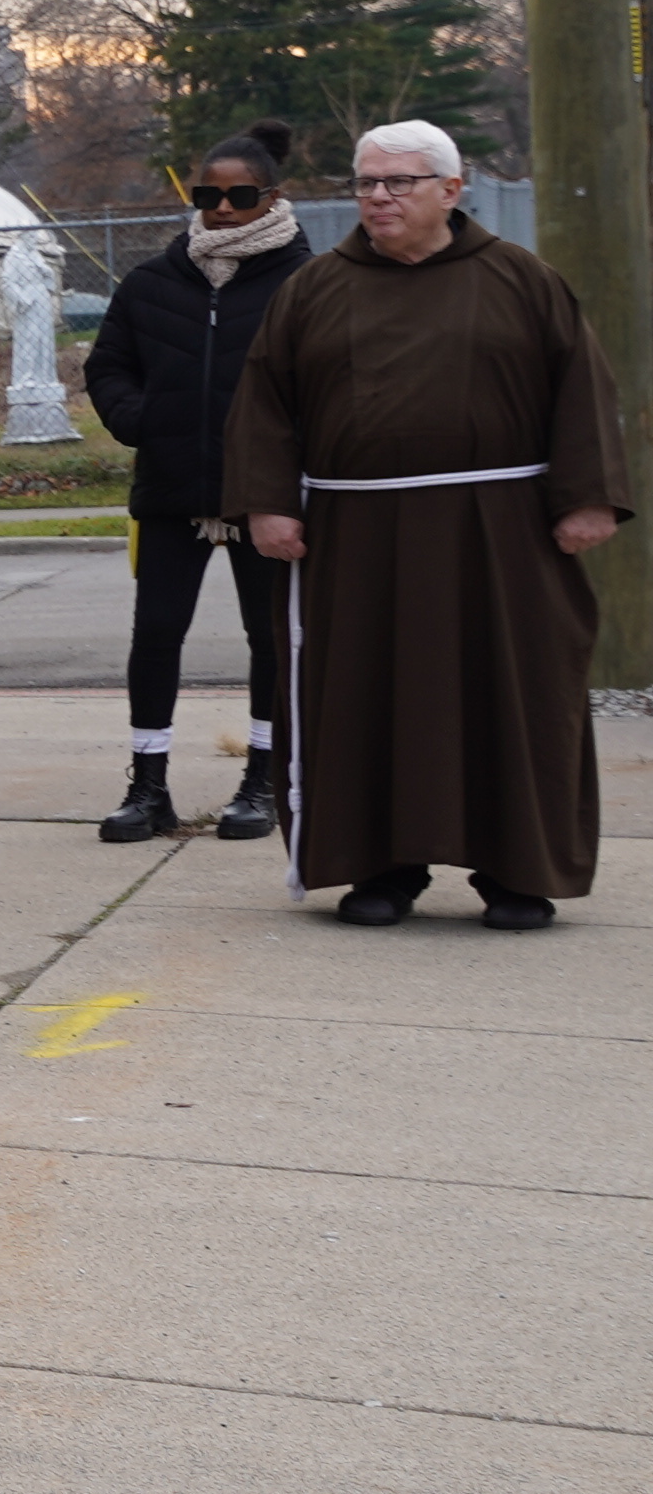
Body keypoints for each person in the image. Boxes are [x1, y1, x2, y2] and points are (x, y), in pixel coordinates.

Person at [226, 119, 630, 928]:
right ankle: (379, 867)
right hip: (355, 535)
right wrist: (267, 503)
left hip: (499, 531)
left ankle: (517, 871)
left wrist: (587, 497)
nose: (378, 197)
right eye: (366, 183)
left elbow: (581, 391)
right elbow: (266, 402)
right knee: (366, 697)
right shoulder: (313, 289)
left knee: (510, 694)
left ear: (452, 189)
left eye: (398, 182)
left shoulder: (522, 280)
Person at [79, 126, 304, 842]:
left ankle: (263, 781)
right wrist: (145, 418)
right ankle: (148, 787)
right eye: (209, 195)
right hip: (171, 493)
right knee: (156, 635)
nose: (224, 209)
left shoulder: (307, 283)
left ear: (272, 197)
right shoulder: (152, 282)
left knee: (269, 640)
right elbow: (107, 366)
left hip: (263, 497)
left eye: (241, 196)